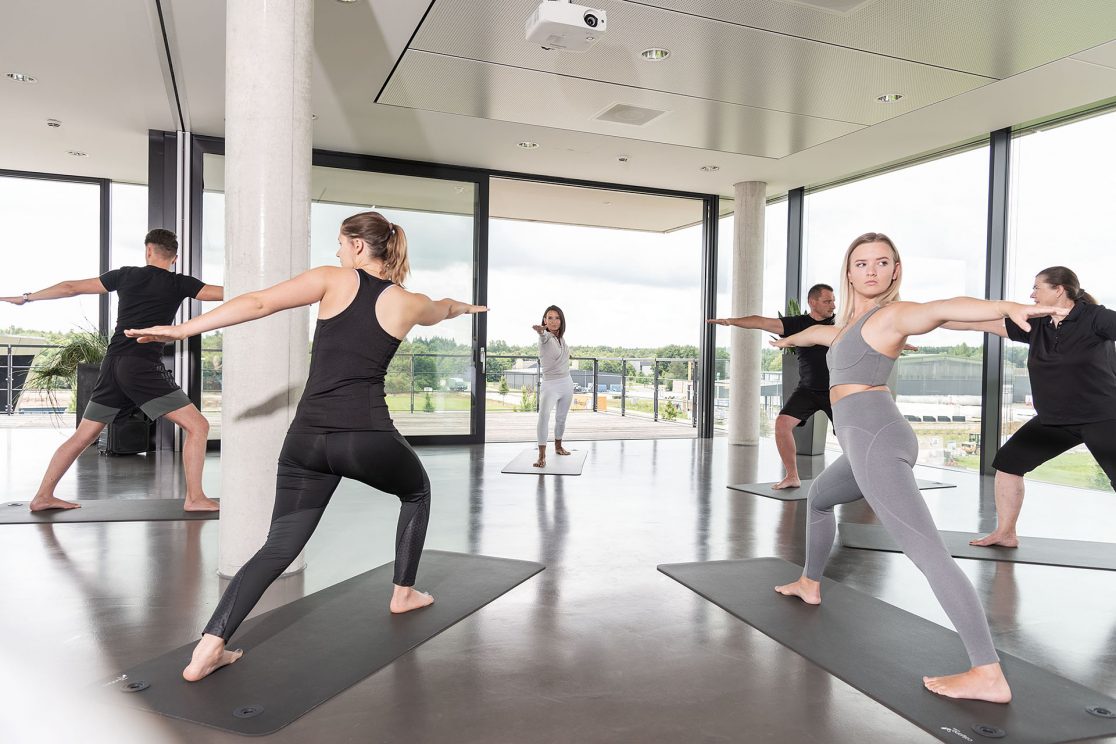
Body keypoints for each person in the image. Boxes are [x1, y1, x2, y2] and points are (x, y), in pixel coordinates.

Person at [125, 211, 486, 682]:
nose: (337, 251)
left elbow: (256, 303)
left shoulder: (331, 281)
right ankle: (403, 593)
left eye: (340, 242)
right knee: (416, 492)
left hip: (306, 441)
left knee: (277, 548)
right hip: (366, 438)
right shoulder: (408, 302)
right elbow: (442, 308)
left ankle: (208, 648)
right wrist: (461, 306)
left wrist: (180, 331)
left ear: (358, 247)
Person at [769, 231, 1066, 703]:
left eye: (881, 262)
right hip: (869, 437)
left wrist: (1005, 305)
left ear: (895, 271)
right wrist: (787, 339)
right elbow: (816, 334)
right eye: (861, 262)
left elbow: (943, 309)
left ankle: (987, 671)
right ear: (848, 272)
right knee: (820, 500)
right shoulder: (848, 325)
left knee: (927, 553)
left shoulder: (894, 314)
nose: (870, 270)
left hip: (874, 440)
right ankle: (809, 582)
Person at [1, 229, 222, 512]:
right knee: (198, 426)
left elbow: (71, 287)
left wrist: (27, 297)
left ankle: (43, 495)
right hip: (140, 366)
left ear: (149, 250)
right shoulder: (180, 283)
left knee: (84, 436)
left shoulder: (125, 275)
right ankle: (195, 498)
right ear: (175, 258)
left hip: (113, 363)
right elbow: (226, 294)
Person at [944, 266, 1116, 548]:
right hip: (1055, 419)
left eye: (1037, 288)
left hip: (1103, 416)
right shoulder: (1037, 324)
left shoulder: (1096, 318)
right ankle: (1006, 533)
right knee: (1008, 464)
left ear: (1059, 289)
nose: (1031, 294)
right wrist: (926, 319)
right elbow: (978, 323)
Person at [708, 284, 837, 488]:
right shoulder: (798, 323)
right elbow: (761, 322)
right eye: (827, 301)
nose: (833, 305)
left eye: (833, 300)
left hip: (836, 390)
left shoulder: (839, 324)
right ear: (812, 302)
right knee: (782, 425)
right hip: (807, 389)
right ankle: (792, 476)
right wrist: (731, 321)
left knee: (851, 436)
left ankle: (866, 478)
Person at [532, 305, 573, 469]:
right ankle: (541, 455)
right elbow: (544, 338)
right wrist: (541, 332)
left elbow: (558, 354)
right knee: (544, 416)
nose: (554, 321)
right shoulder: (545, 337)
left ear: (561, 321)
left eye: (557, 318)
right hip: (550, 385)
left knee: (561, 418)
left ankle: (558, 446)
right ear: (544, 320)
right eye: (550, 318)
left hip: (567, 383)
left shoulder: (562, 339)